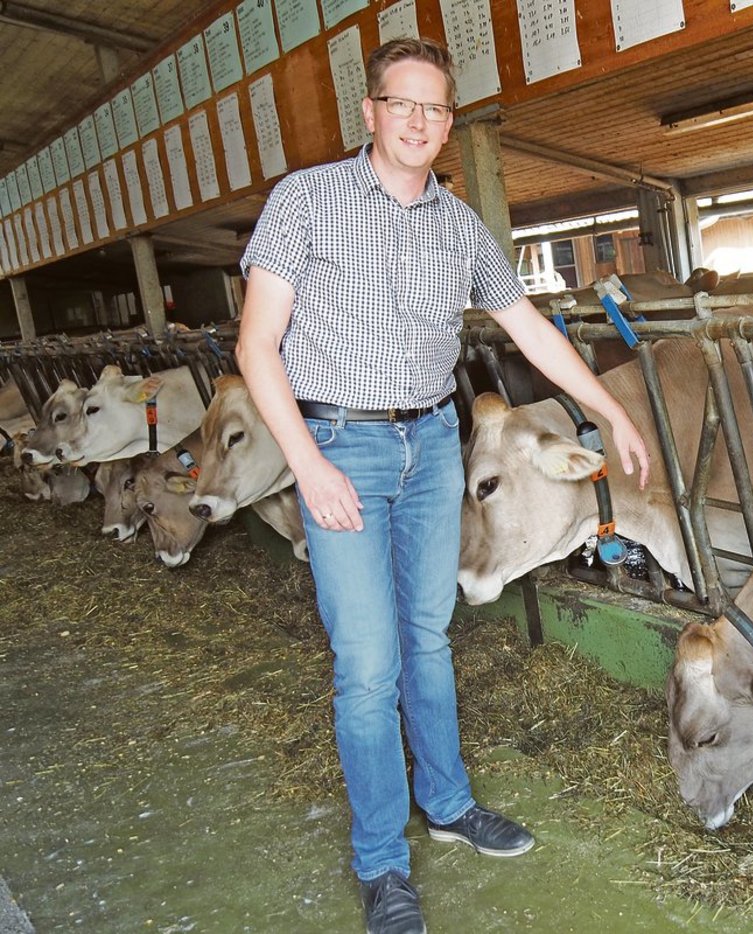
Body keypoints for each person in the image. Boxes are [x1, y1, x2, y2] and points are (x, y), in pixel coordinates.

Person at [235, 37, 649, 934]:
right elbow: (256, 343)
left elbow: (528, 327)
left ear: (448, 121)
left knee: (428, 639)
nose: (419, 121)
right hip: (340, 441)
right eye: (403, 103)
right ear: (371, 112)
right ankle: (382, 862)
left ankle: (449, 805)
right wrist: (307, 463)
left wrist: (610, 410)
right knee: (367, 664)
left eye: (435, 107)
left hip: (430, 443)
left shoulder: (459, 225)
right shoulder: (306, 200)